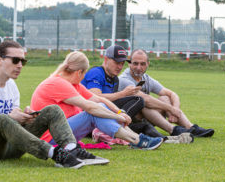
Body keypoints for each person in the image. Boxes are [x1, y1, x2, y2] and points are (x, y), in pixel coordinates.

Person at [0, 40, 107, 169]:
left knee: (52, 110)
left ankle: (71, 149)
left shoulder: (11, 86)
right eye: (15, 60)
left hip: (9, 147)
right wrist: (9, 117)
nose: (20, 65)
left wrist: (24, 116)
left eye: (22, 62)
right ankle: (55, 154)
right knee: (3, 119)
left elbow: (12, 119)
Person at [30, 51, 163, 150]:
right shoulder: (58, 83)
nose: (83, 78)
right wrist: (118, 117)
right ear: (78, 72)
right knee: (93, 113)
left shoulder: (73, 84)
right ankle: (137, 140)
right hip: (50, 138)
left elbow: (99, 100)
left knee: (99, 108)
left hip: (61, 133)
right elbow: (90, 107)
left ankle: (136, 139)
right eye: (84, 74)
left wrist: (118, 112)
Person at [81, 45, 193, 144]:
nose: (119, 67)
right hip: (91, 120)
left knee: (144, 126)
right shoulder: (96, 72)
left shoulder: (114, 78)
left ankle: (167, 139)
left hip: (105, 117)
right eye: (116, 62)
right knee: (139, 100)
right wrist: (123, 94)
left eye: (122, 63)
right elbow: (94, 98)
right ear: (106, 59)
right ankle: (110, 128)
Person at [118, 49, 214, 138]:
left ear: (148, 64)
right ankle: (173, 130)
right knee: (144, 103)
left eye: (142, 64)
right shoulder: (124, 79)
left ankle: (191, 127)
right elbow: (146, 99)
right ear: (129, 64)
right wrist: (170, 109)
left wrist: (175, 110)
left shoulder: (145, 78)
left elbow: (172, 94)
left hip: (146, 119)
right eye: (135, 63)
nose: (139, 67)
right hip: (129, 123)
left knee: (165, 98)